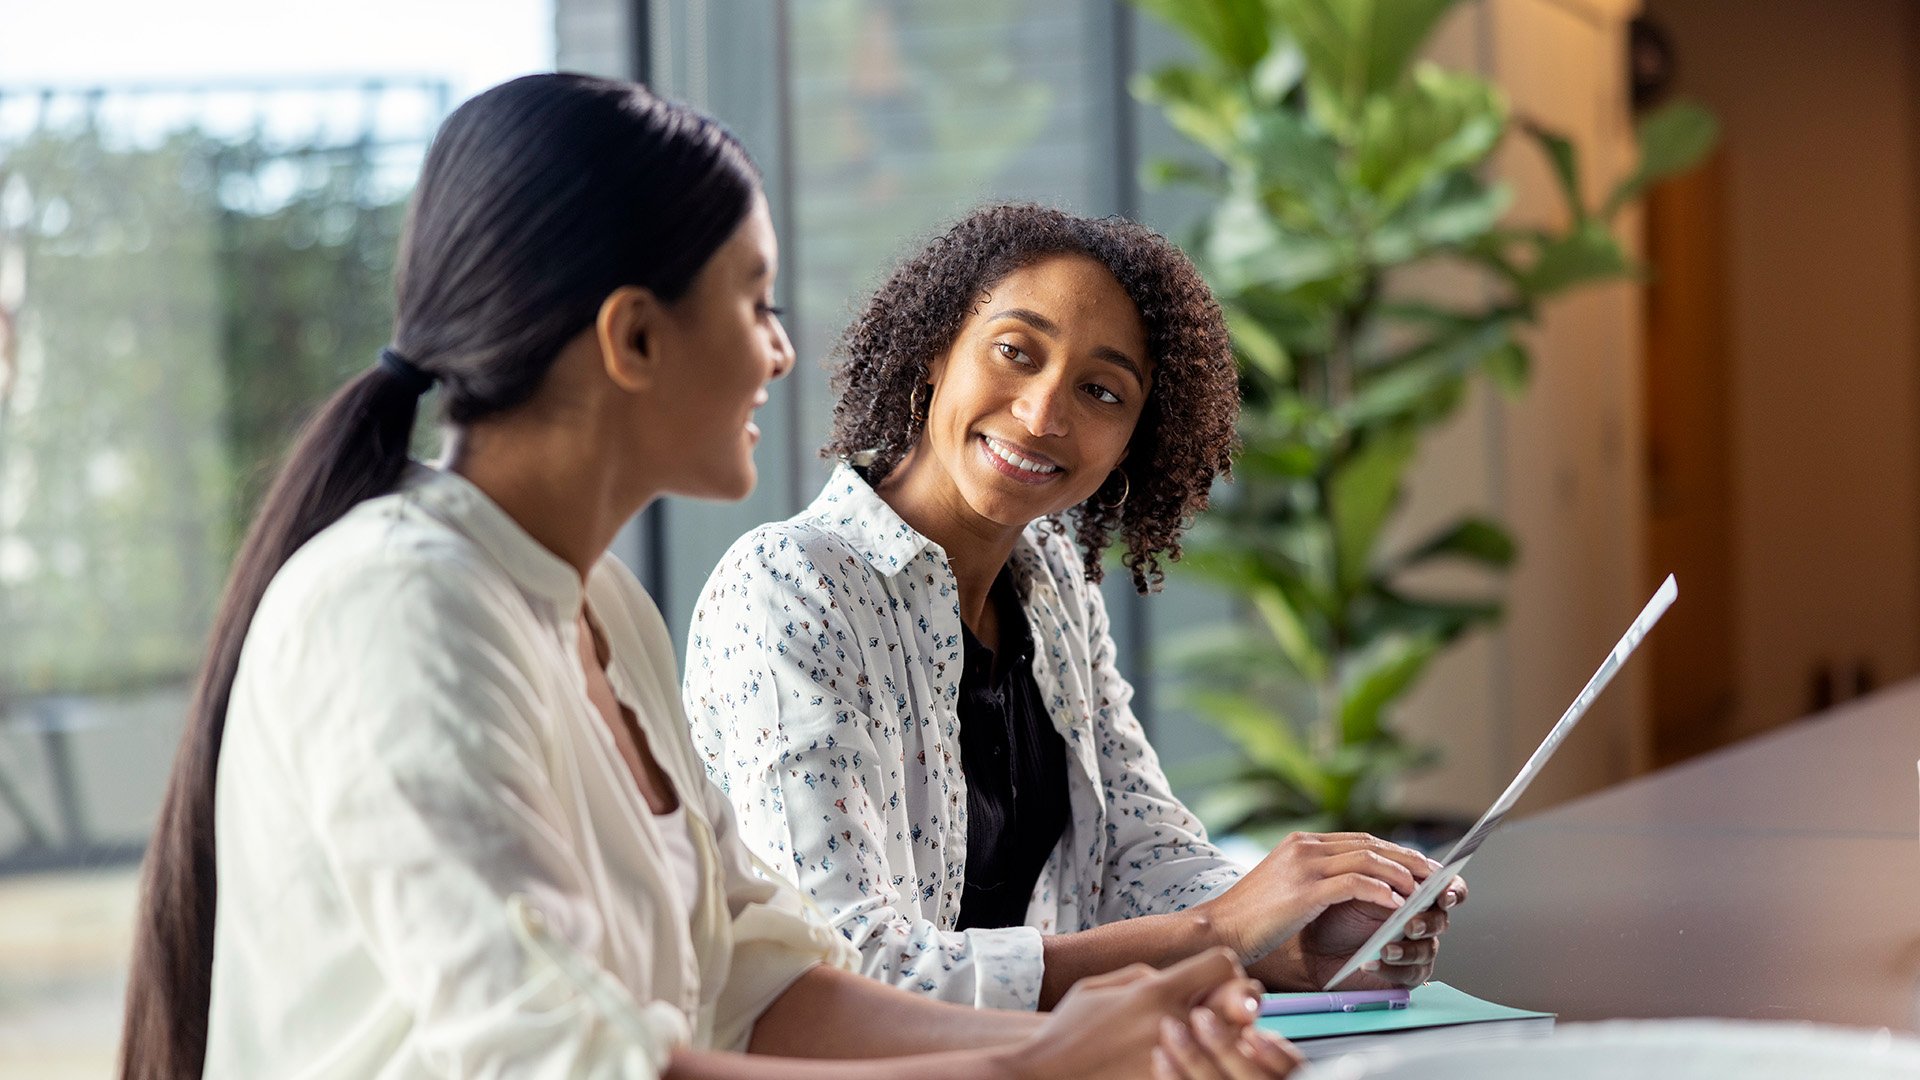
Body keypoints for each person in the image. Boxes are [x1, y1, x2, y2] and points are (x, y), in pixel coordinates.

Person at [116, 76, 1301, 1080]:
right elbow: (566, 1057)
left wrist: (1078, 1038)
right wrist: (1037, 1058)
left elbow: (760, 985)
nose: (782, 350)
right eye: (755, 302)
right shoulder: (398, 610)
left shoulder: (602, 607)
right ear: (635, 338)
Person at [684, 205, 1466, 1012]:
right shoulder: (791, 587)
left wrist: (1293, 938)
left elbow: (1137, 853)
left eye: (1101, 391)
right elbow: (851, 970)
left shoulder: (1050, 581)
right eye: (1015, 352)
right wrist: (1219, 933)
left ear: (1134, 441)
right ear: (933, 352)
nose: (1044, 413)